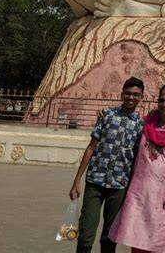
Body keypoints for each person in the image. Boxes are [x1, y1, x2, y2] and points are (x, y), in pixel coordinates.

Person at [108, 83, 165, 253]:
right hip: (140, 195)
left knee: (163, 244)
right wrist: (106, 115)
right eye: (161, 100)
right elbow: (125, 125)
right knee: (139, 242)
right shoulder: (147, 123)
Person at [69, 77, 145, 253]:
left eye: (136, 95)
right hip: (95, 181)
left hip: (119, 185)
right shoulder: (107, 115)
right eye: (128, 93)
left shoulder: (141, 125)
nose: (131, 97)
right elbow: (91, 148)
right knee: (86, 233)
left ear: (141, 97)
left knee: (109, 237)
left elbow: (138, 158)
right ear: (121, 94)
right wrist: (77, 180)